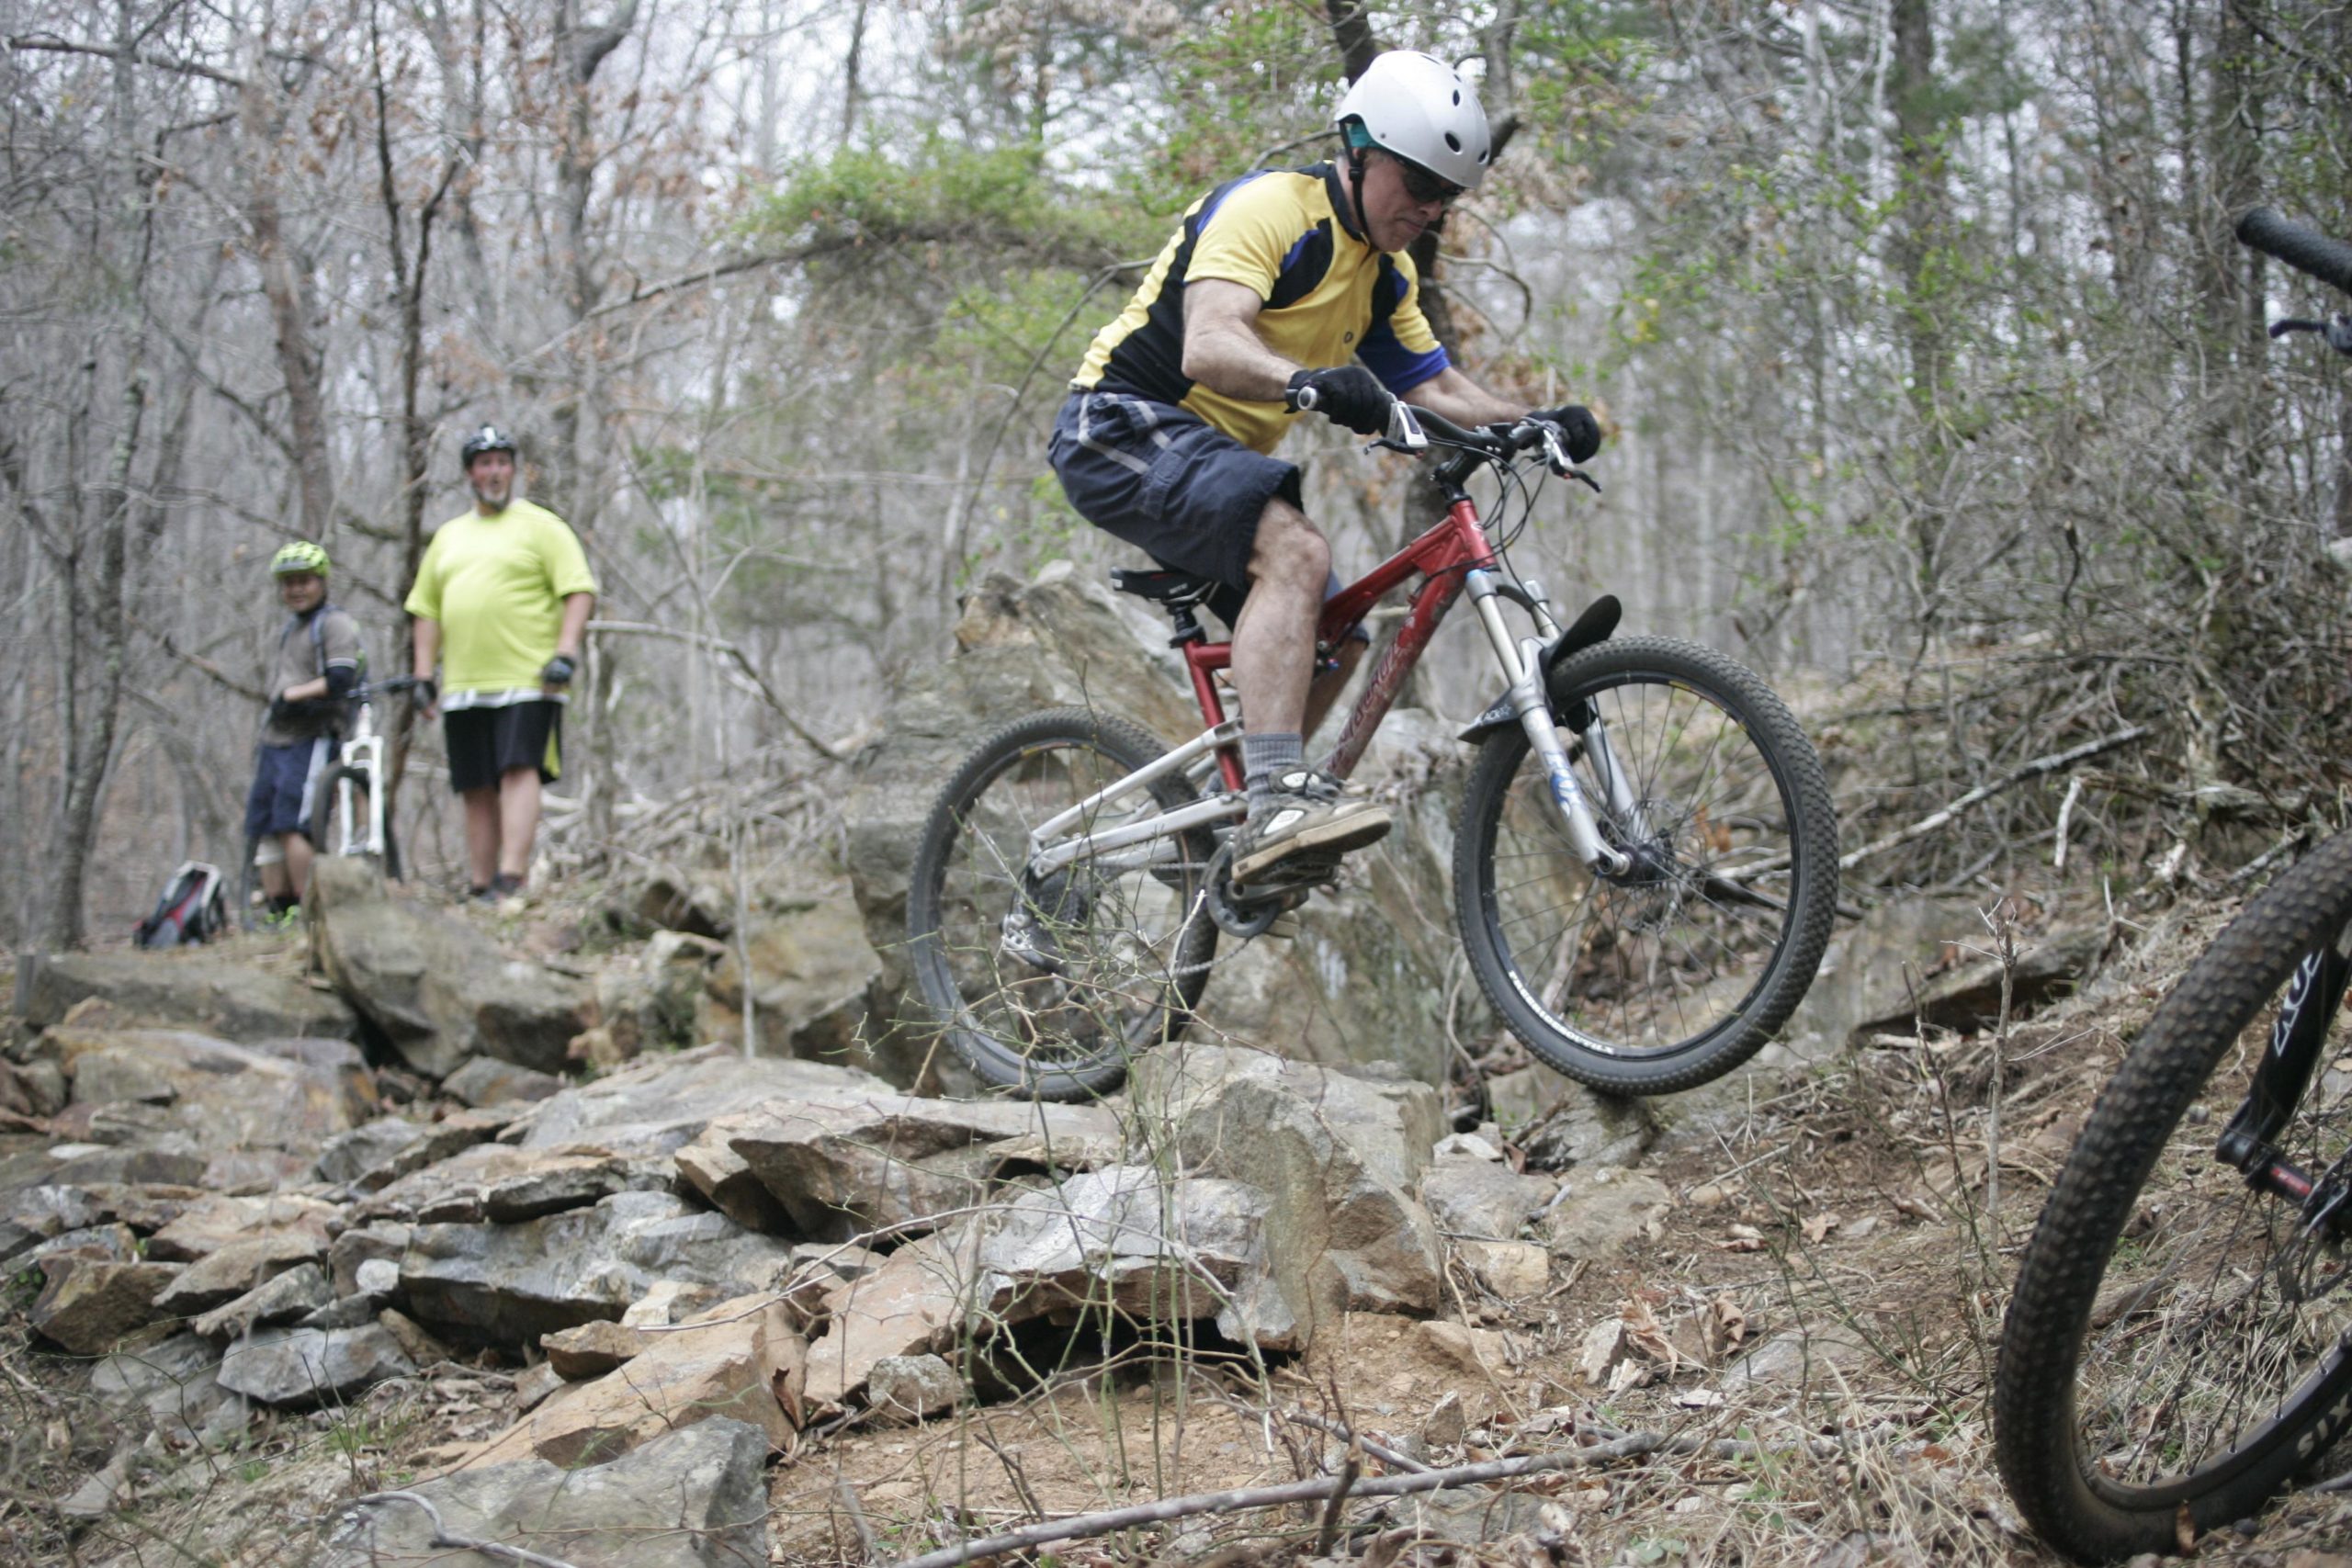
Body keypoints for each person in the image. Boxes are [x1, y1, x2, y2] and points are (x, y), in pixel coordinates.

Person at [1049, 51, 1601, 888]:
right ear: (1359, 148)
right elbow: (1210, 341)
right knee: (1298, 551)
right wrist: (1306, 380)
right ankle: (1273, 801)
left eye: (1446, 194)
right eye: (1416, 181)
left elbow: (1442, 387)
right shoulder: (1274, 210)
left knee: (1338, 637)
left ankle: (1219, 814)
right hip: (1117, 423)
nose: (1429, 206)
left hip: (1209, 460)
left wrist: (1530, 424)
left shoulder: (1385, 277)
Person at [405, 425, 598, 901]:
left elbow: (578, 590)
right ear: (470, 473)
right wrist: (423, 675)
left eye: (502, 463)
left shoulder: (543, 526)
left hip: (529, 677)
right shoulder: (449, 538)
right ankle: (479, 882)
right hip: (466, 682)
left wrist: (565, 654)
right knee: (475, 782)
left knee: (518, 768)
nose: (494, 472)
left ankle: (511, 877)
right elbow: (426, 609)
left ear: (514, 470)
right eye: (484, 463)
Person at [245, 540, 366, 923]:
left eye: (304, 581)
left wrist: (292, 696)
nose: (296, 589)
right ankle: (278, 911)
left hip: (313, 736)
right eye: (289, 582)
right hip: (276, 740)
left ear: (321, 581)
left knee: (293, 822)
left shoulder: (334, 624)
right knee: (265, 826)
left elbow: (340, 678)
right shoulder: (290, 630)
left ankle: (310, 911)